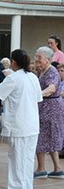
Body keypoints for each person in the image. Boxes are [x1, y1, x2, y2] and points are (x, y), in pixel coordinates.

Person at [0, 50, 42, 189]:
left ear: (14, 62)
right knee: (27, 157)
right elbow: (38, 98)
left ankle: (16, 188)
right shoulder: (33, 77)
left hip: (19, 123)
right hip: (32, 123)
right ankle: (27, 186)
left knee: (17, 157)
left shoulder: (13, 78)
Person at [33, 46, 64, 179]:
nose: (36, 59)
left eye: (39, 57)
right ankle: (57, 168)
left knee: (42, 137)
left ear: (48, 59)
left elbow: (51, 88)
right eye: (36, 56)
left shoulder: (51, 72)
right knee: (50, 137)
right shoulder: (44, 71)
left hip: (50, 109)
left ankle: (41, 169)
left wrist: (37, 95)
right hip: (48, 107)